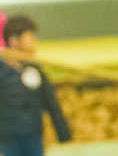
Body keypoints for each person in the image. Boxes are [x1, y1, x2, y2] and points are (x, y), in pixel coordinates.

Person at [0, 15, 72, 156]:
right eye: (30, 38)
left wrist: (63, 133)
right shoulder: (2, 72)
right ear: (14, 41)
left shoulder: (36, 71)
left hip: (33, 134)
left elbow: (52, 104)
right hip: (9, 137)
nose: (35, 43)